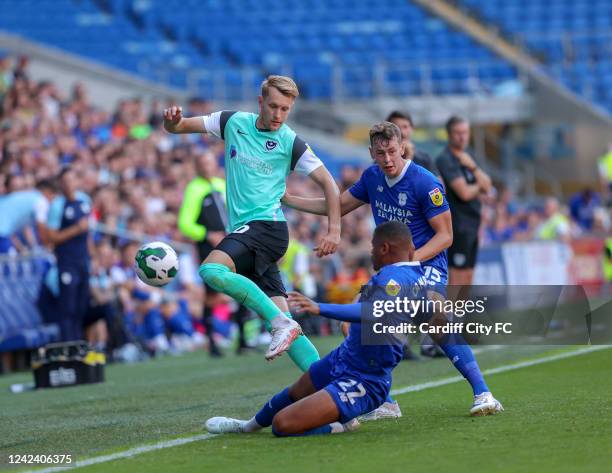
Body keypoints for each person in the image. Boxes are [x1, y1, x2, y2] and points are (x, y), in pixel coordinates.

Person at [283, 121, 502, 417]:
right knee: (352, 324)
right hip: (392, 272)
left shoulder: (425, 183)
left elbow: (445, 236)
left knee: (436, 318)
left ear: (402, 147)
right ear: (371, 152)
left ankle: (483, 393)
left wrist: (409, 262)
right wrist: (287, 199)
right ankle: (384, 400)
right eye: (380, 153)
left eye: (391, 152)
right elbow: (335, 204)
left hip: (427, 266)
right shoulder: (372, 177)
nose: (387, 159)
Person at [163, 75, 341, 369]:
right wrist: (172, 121)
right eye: (273, 107)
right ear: (261, 103)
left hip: (267, 228)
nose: (279, 115)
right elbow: (179, 127)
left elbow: (329, 184)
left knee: (210, 269)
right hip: (249, 234)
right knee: (289, 328)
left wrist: (334, 230)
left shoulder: (290, 141)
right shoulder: (233, 122)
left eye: (285, 109)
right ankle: (338, 395)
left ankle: (278, 322)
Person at [205, 221, 428, 436]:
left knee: (282, 424)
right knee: (295, 391)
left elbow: (371, 311)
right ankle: (248, 426)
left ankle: (337, 425)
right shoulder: (403, 275)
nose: (370, 253)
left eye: (373, 248)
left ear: (384, 248)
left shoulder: (396, 279)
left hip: (365, 379)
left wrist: (319, 308)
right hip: (345, 358)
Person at [178, 150, 250, 357]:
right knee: (211, 293)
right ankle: (212, 342)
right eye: (202, 163)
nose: (207, 166)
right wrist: (207, 234)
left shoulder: (220, 185)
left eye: (209, 162)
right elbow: (185, 223)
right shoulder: (194, 189)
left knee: (243, 286)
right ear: (197, 166)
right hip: (208, 247)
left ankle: (243, 339)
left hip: (231, 243)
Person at [436, 116, 493, 286]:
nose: (462, 137)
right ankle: (452, 312)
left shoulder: (470, 157)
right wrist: (479, 185)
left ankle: (461, 311)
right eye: (458, 133)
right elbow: (465, 193)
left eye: (465, 132)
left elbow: (488, 185)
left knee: (468, 274)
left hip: (473, 223)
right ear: (449, 134)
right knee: (458, 275)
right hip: (458, 225)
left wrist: (473, 168)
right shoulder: (445, 159)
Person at [46, 166, 92, 341]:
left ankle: (79, 342)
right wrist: (75, 230)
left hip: (83, 259)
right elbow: (51, 236)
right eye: (65, 181)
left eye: (72, 180)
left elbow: (87, 233)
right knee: (68, 306)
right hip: (67, 261)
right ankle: (68, 344)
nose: (69, 184)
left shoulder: (84, 200)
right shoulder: (58, 205)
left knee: (81, 304)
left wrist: (92, 257)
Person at [0, 179, 57, 254]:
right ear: (48, 192)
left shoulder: (28, 196)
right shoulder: (41, 201)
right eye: (53, 196)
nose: (54, 201)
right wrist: (48, 246)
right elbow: (41, 227)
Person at [386, 110, 437, 174]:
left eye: (405, 127)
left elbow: (438, 183)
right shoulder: (384, 159)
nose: (402, 132)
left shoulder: (424, 158)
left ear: (412, 128)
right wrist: (409, 157)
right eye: (397, 128)